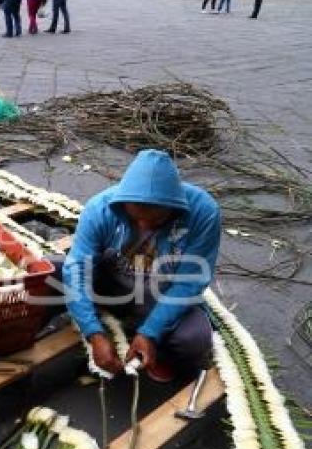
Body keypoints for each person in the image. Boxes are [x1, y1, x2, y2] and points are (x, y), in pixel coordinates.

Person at [61, 150, 221, 382]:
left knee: (194, 340)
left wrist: (150, 332)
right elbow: (77, 269)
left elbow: (189, 282)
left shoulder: (203, 213)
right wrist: (93, 333)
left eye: (156, 221)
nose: (144, 226)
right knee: (52, 271)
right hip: (112, 283)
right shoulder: (100, 209)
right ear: (124, 203)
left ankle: (153, 346)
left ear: (174, 208)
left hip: (157, 293)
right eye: (136, 219)